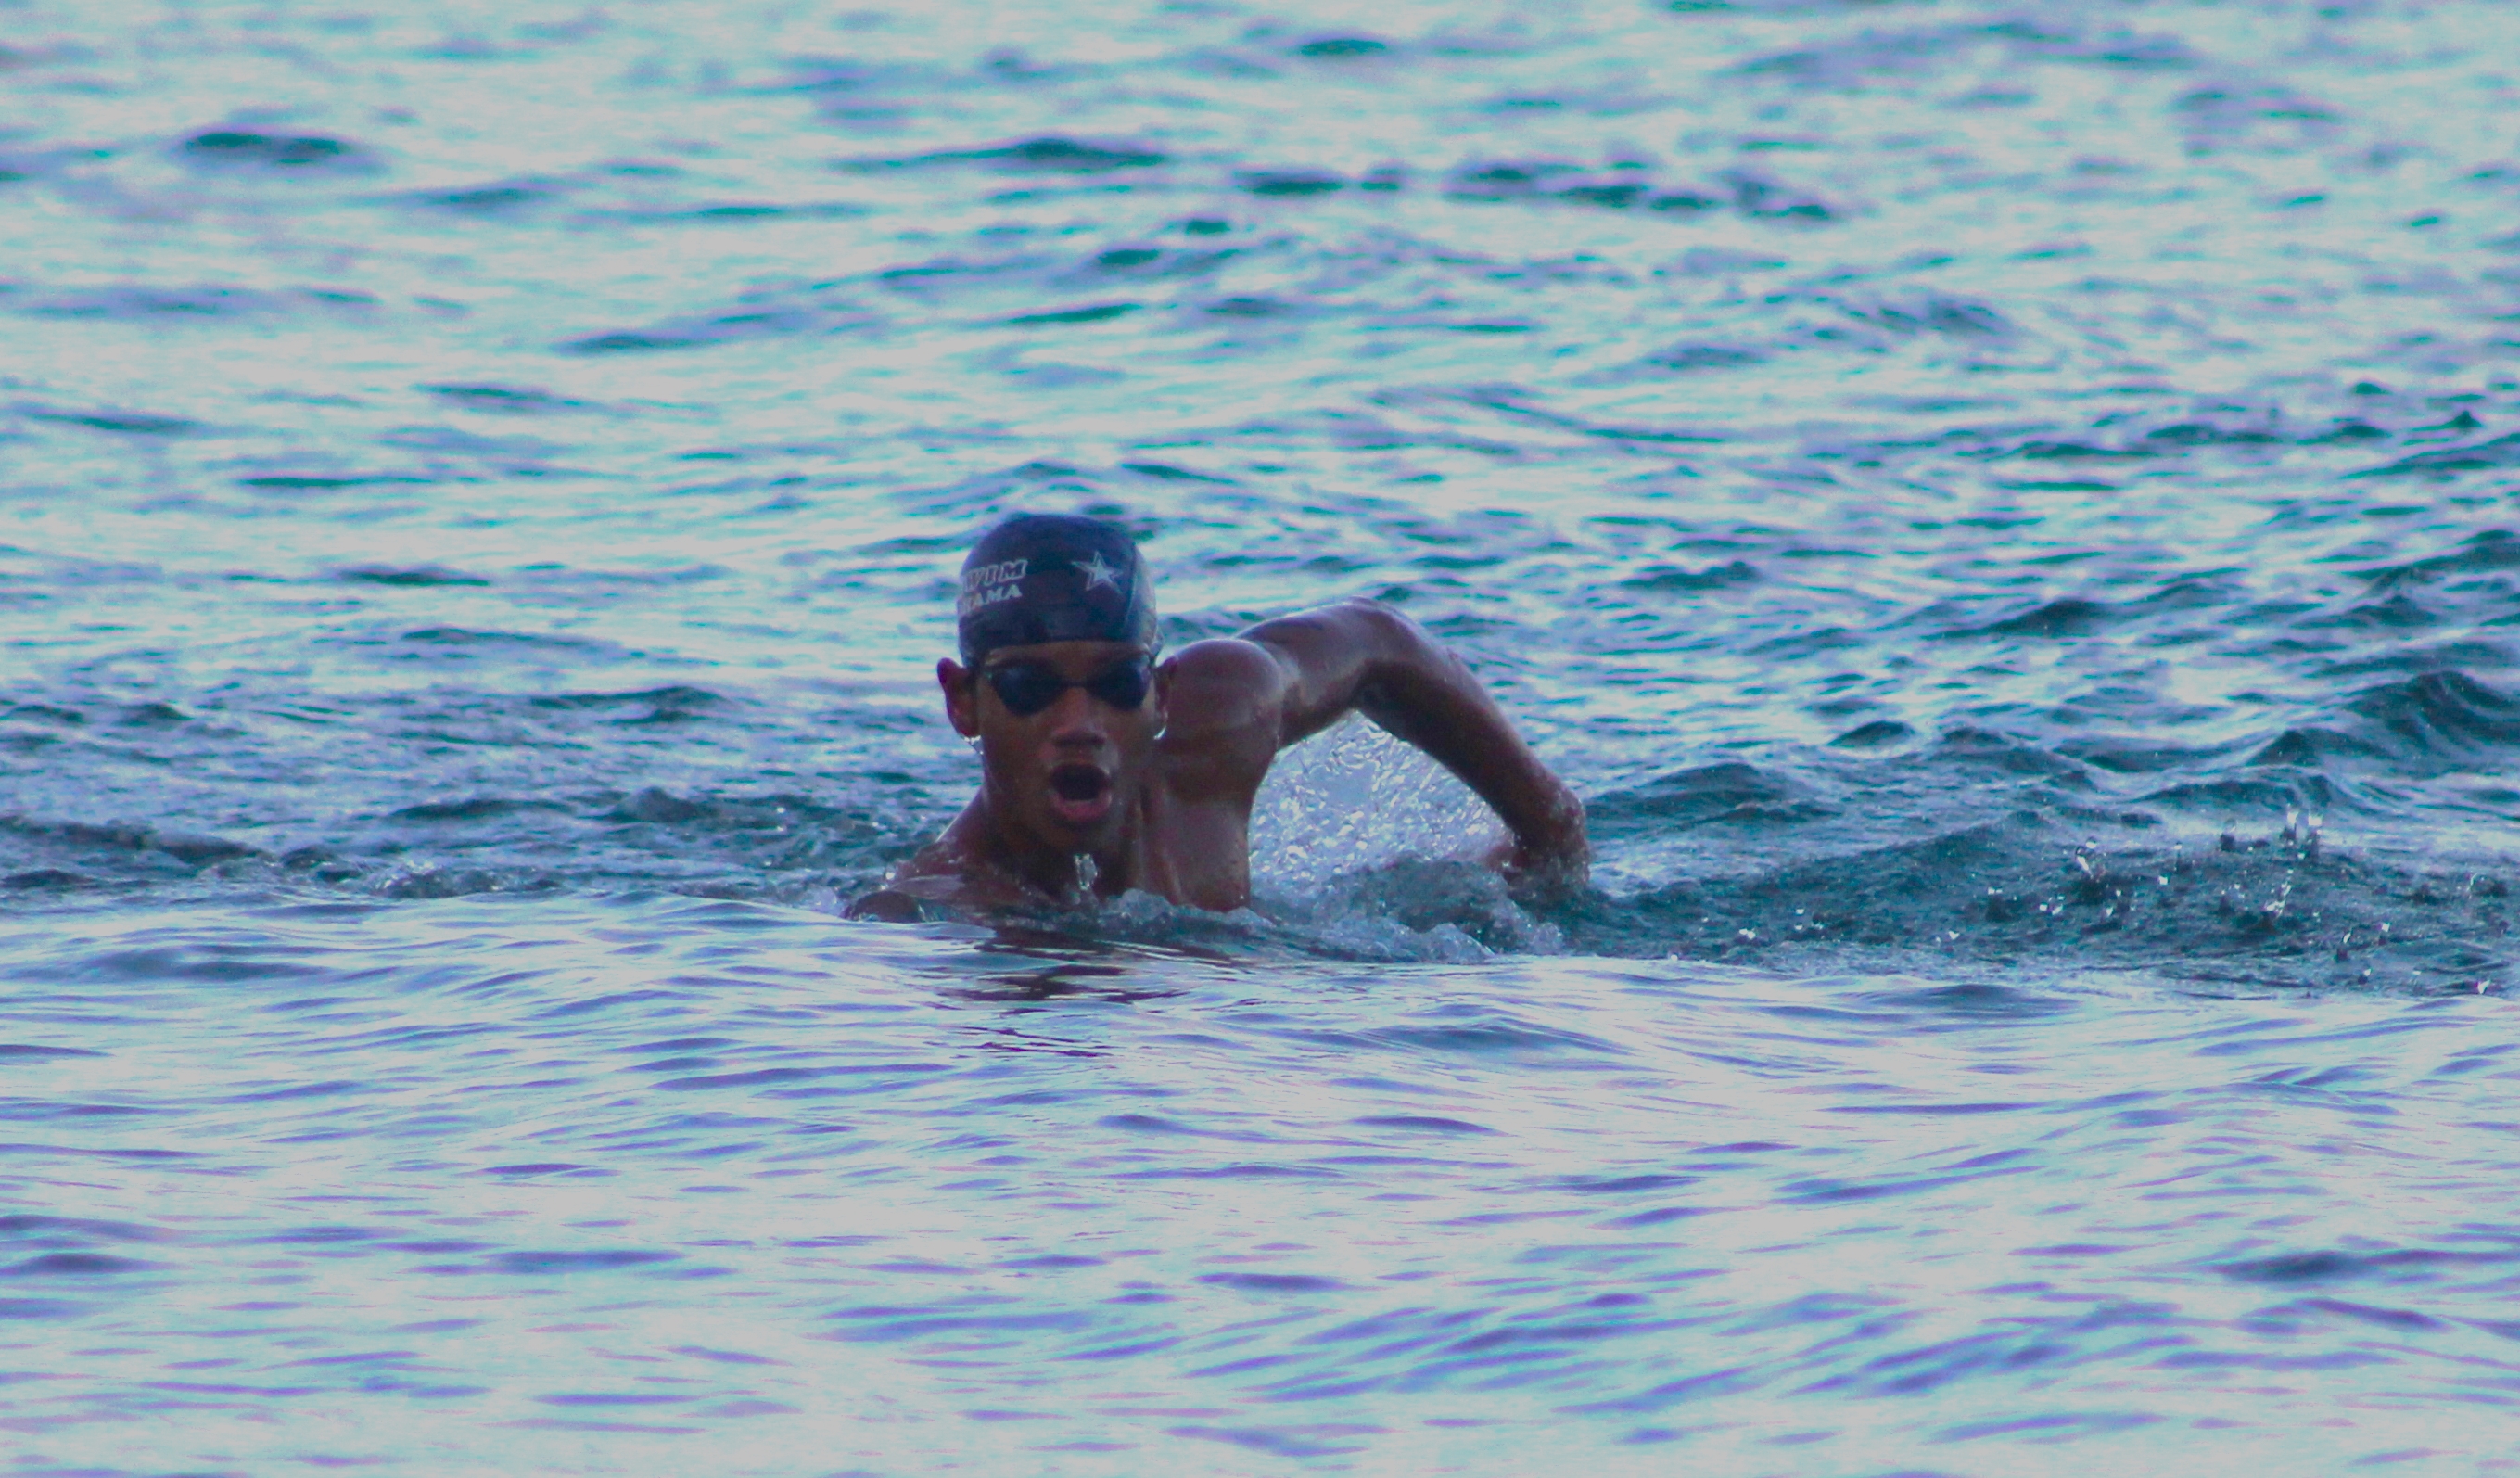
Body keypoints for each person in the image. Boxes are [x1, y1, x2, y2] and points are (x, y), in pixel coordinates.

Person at [848, 513, 1587, 920]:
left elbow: (1378, 640)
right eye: (1030, 689)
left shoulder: (1216, 727)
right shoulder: (932, 919)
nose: (1080, 721)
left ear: (1162, 694)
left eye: (1116, 682)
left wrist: (1548, 824)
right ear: (962, 702)